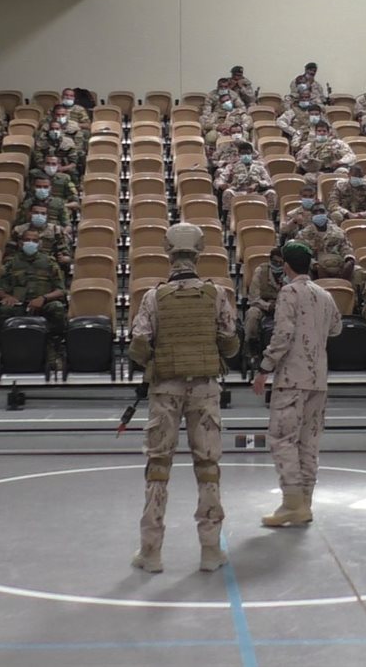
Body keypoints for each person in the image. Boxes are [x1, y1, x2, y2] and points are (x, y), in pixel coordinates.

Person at [127, 223, 240, 574]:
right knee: (207, 467)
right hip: (204, 390)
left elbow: (139, 344)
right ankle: (210, 550)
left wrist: (156, 360)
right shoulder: (216, 294)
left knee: (158, 467)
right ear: (199, 252)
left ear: (168, 252)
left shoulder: (153, 297)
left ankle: (151, 552)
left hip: (165, 390)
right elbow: (230, 343)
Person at [252, 241, 341, 527]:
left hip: (292, 377)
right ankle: (305, 503)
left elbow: (283, 334)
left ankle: (292, 503)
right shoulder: (325, 294)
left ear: (286, 266)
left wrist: (265, 368)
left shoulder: (289, 292)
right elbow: (336, 327)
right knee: (308, 442)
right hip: (318, 378)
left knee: (282, 438)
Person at [0, 227, 69, 368]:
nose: (30, 243)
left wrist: (44, 298)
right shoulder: (11, 263)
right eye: (27, 240)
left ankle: (54, 349)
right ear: (20, 243)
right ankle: (7, 352)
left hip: (44, 303)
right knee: (4, 310)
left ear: (40, 243)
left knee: (57, 308)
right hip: (19, 304)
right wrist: (7, 297)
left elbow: (61, 290)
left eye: (34, 241)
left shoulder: (49, 262)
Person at [293, 204, 355, 281]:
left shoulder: (338, 232)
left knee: (358, 272)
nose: (319, 214)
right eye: (315, 212)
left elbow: (346, 247)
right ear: (311, 215)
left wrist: (349, 260)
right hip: (315, 269)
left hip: (338, 265)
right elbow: (302, 255)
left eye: (321, 211)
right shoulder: (303, 234)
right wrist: (315, 265)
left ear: (326, 213)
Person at [244, 246, 287, 355]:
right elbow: (254, 298)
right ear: (270, 260)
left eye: (281, 263)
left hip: (285, 306)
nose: (278, 265)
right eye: (275, 262)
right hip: (263, 305)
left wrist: (279, 305)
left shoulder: (289, 273)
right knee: (252, 314)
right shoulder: (260, 271)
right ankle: (252, 348)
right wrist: (268, 306)